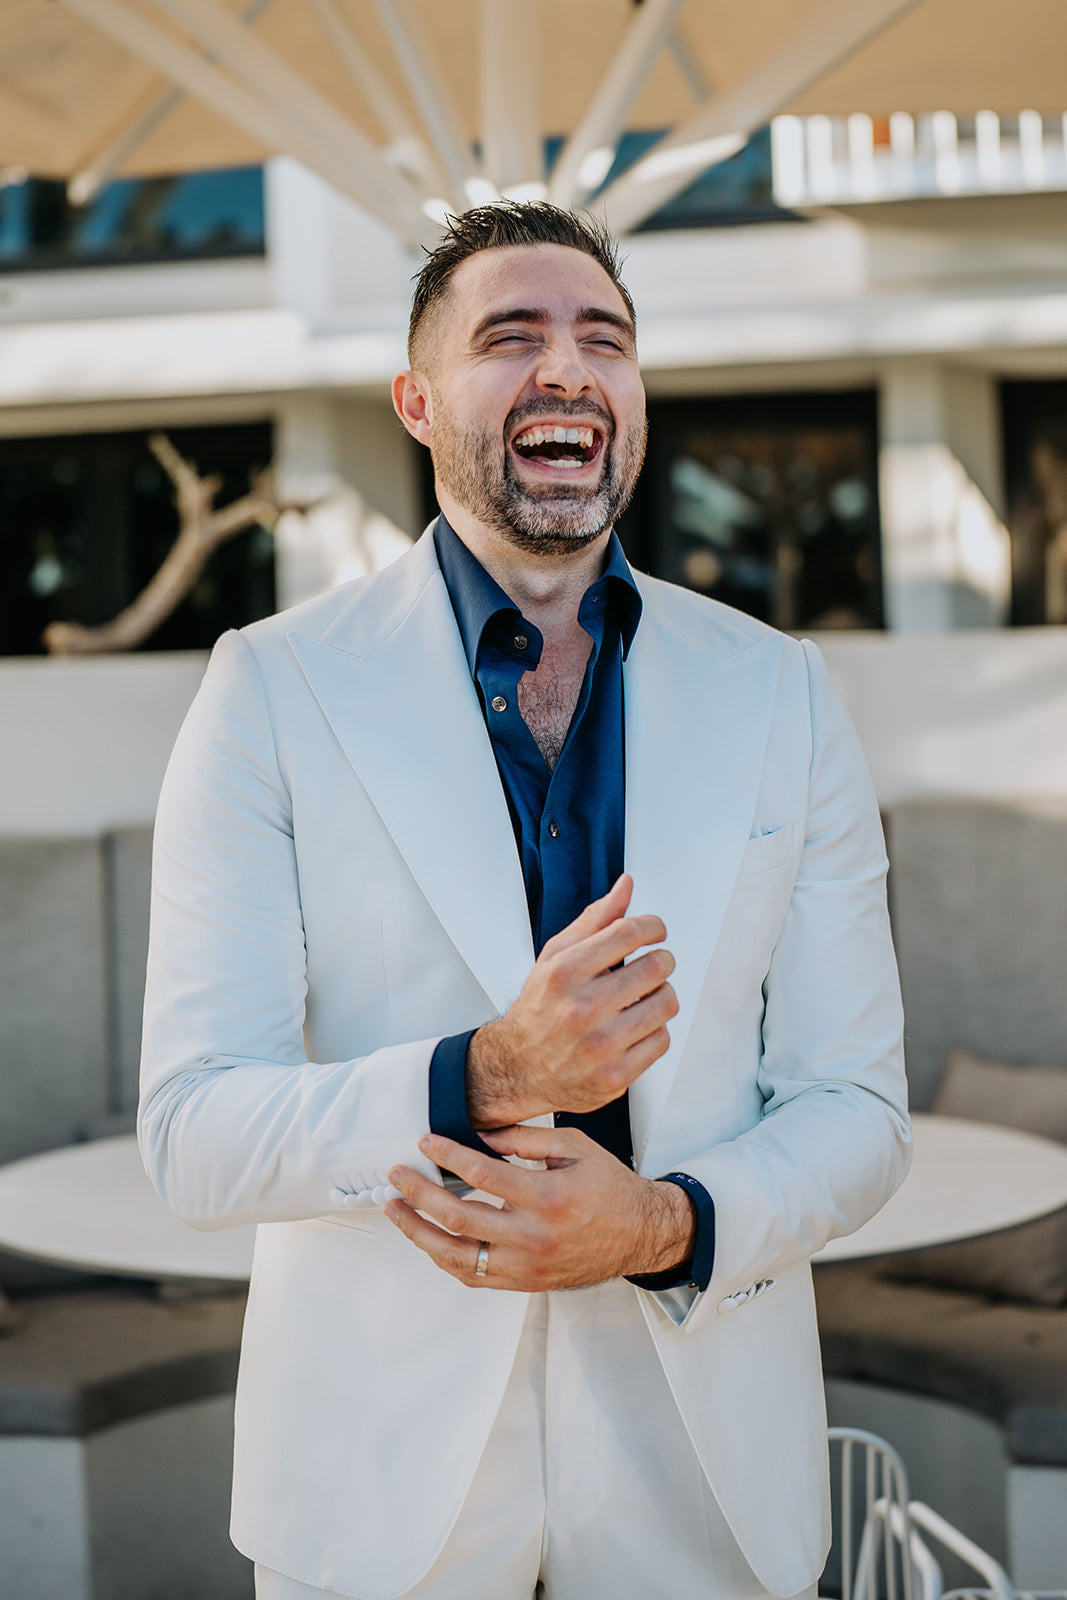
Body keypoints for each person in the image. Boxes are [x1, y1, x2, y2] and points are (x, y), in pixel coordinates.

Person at [139, 202, 910, 1600]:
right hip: (378, 1480)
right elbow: (193, 1132)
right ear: (418, 403)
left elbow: (857, 1106)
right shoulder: (268, 688)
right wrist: (483, 1073)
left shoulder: (782, 690)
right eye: (513, 337)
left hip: (711, 1471)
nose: (569, 368)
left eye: (604, 339)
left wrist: (665, 1225)